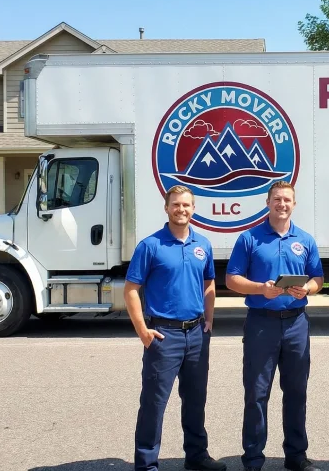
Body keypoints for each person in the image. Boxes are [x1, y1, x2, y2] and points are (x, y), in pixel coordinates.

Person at [124, 185, 226, 471]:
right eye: (176, 205)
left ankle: (196, 456)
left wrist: (209, 320)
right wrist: (143, 331)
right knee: (154, 404)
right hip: (163, 335)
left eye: (186, 205)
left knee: (195, 400)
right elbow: (131, 290)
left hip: (196, 334)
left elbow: (208, 284)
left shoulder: (202, 244)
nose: (181, 209)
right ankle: (146, 464)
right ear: (166, 208)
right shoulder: (150, 245)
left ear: (193, 209)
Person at [225, 180, 325, 471]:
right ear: (268, 203)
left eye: (288, 200)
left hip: (296, 324)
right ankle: (253, 459)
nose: (283, 204)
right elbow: (232, 279)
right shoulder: (249, 238)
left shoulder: (305, 240)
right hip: (261, 324)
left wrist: (307, 288)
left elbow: (318, 278)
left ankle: (296, 457)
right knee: (256, 394)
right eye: (277, 199)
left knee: (296, 392)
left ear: (294, 204)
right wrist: (260, 289)